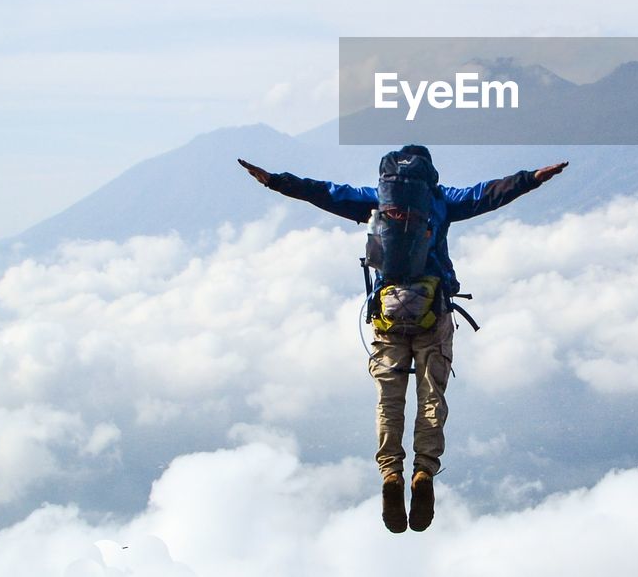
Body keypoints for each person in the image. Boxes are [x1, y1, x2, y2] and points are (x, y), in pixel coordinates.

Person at [238, 146, 567, 533]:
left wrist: (276, 181)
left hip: (388, 314)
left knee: (389, 398)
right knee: (431, 396)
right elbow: (488, 193)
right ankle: (423, 471)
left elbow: (322, 191)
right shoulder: (442, 202)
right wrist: (531, 178)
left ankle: (390, 472)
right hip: (434, 312)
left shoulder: (374, 201)